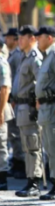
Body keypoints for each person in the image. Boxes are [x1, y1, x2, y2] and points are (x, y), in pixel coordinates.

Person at [34, 26, 55, 200]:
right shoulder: (47, 55)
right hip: (45, 108)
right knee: (49, 146)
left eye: (39, 37)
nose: (37, 40)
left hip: (53, 106)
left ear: (48, 37)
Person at [15, 25, 43, 197]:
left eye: (22, 37)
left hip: (30, 106)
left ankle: (35, 181)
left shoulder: (35, 58)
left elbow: (40, 82)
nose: (19, 41)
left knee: (33, 145)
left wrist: (36, 103)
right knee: (27, 145)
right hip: (21, 106)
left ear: (32, 38)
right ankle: (30, 178)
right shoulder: (24, 58)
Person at [4, 28, 26, 180]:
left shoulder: (18, 56)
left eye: (8, 37)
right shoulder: (13, 54)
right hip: (13, 99)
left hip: (16, 100)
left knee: (16, 134)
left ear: (14, 38)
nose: (6, 40)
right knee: (13, 134)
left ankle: (21, 163)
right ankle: (17, 161)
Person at [0, 39, 13, 191]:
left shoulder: (2, 63)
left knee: (1, 145)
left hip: (0, 108)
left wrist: (1, 110)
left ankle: (2, 178)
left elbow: (4, 88)